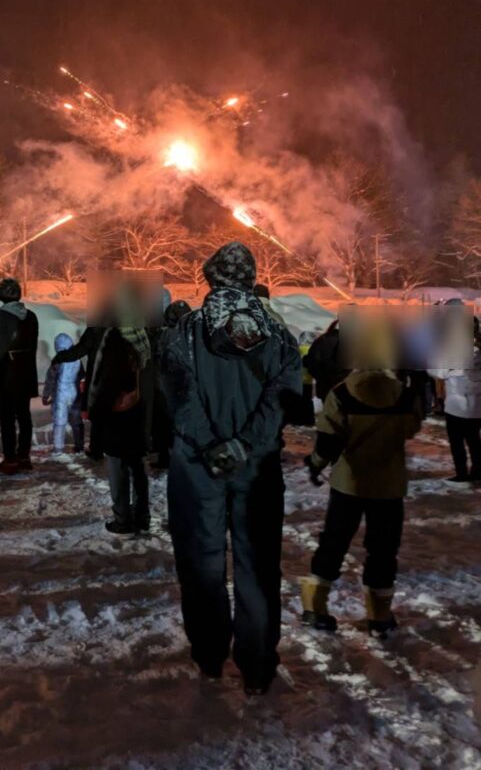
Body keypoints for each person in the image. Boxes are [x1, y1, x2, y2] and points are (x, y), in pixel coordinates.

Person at [162, 242, 302, 695]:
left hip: (197, 466)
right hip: (256, 467)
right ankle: (257, 666)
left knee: (201, 562)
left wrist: (211, 445)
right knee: (257, 564)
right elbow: (282, 401)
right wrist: (245, 445)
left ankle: (209, 655)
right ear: (249, 279)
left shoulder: (184, 330)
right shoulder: (279, 335)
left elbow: (180, 400)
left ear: (210, 278)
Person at [301, 362, 423, 636]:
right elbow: (411, 428)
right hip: (389, 484)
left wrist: (315, 464)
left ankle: (315, 607)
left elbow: (329, 441)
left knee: (334, 541)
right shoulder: (404, 394)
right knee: (383, 548)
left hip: (349, 483)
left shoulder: (342, 393)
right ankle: (379, 616)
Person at [89, 322, 152, 534]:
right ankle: (142, 516)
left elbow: (106, 378)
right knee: (138, 468)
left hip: (118, 412)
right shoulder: (142, 335)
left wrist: (97, 415)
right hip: (139, 411)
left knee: (118, 470)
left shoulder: (115, 337)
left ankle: (123, 519)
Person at [0, 278, 39, 474]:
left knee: (7, 418)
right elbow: (33, 346)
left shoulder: (0, 317)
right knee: (24, 415)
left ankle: (10, 459)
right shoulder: (31, 316)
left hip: (6, 373)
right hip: (26, 371)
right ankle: (24, 456)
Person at [431, 317, 481, 483]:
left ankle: (462, 473)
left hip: (456, 407)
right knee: (474, 441)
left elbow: (437, 372)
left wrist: (452, 371)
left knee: (457, 443)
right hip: (476, 407)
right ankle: (476, 471)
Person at [52, 325, 106, 459]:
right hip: (121, 375)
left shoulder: (96, 329)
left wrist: (61, 356)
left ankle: (97, 449)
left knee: (99, 413)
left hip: (100, 377)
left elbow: (80, 349)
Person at [151, 300, 192, 470]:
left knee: (162, 421)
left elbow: (156, 358)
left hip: (166, 384)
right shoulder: (192, 335)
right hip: (185, 384)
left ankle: (164, 456)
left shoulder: (164, 335)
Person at [42, 332, 85, 454]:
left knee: (59, 423)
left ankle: (58, 449)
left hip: (60, 396)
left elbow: (50, 379)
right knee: (77, 423)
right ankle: (79, 447)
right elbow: (82, 376)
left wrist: (46, 395)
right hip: (75, 395)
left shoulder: (57, 360)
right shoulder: (77, 360)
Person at [304, 319, 350, 402]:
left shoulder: (323, 339)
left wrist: (322, 379)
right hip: (348, 391)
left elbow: (310, 362)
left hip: (326, 390)